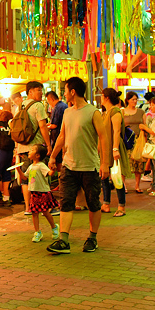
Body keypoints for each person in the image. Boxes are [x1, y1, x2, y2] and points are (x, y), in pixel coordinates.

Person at [47, 77, 109, 254]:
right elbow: (61, 136)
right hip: (69, 166)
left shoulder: (93, 112)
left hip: (89, 166)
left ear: (73, 92)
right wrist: (52, 156)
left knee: (92, 203)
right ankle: (63, 240)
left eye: (65, 90)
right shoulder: (67, 112)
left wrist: (105, 164)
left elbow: (103, 138)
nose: (64, 94)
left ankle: (92, 238)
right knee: (66, 202)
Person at [14, 81, 53, 216]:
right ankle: (45, 208)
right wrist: (48, 145)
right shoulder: (38, 106)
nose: (41, 93)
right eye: (38, 90)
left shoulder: (19, 107)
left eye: (41, 90)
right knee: (42, 176)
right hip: (37, 148)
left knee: (27, 179)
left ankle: (28, 208)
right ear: (30, 92)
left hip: (23, 148)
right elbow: (43, 126)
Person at [15, 144, 59, 242]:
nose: (29, 151)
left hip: (43, 193)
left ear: (38, 155)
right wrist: (18, 170)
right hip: (34, 193)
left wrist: (52, 170)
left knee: (45, 212)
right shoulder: (31, 166)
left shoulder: (41, 166)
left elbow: (49, 174)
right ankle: (37, 232)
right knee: (34, 213)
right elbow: (25, 177)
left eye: (32, 150)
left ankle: (54, 227)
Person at [101, 88, 129, 217]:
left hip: (113, 149)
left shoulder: (115, 111)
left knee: (117, 177)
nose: (100, 98)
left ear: (106, 98)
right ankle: (106, 204)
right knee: (104, 177)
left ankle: (121, 207)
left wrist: (115, 149)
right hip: (105, 150)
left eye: (101, 96)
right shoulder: (105, 113)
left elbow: (117, 131)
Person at [122, 91, 146, 193]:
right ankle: (124, 185)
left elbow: (145, 125)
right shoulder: (122, 112)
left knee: (138, 162)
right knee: (126, 162)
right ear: (128, 100)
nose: (135, 101)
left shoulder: (141, 112)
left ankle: (137, 185)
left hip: (138, 139)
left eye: (136, 99)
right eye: (133, 99)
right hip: (127, 140)